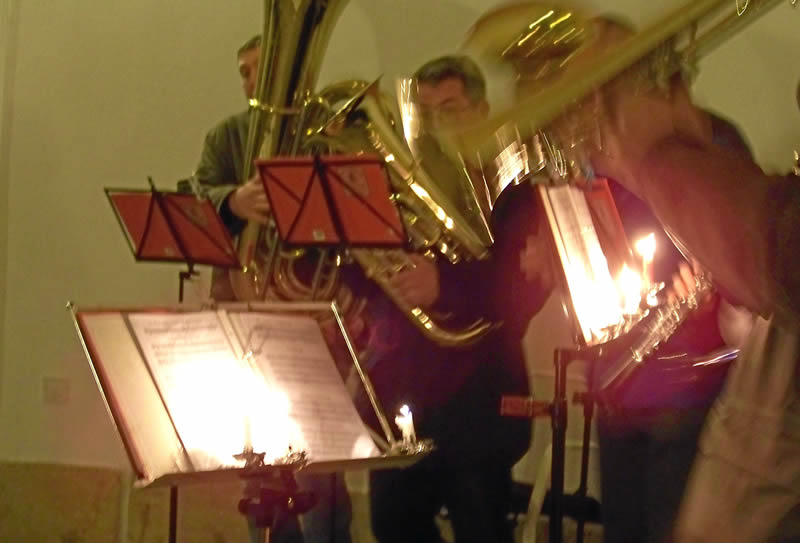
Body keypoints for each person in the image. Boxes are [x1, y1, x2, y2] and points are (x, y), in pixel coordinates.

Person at [585, 22, 800, 543]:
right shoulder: (593, 161)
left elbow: (770, 253)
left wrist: (653, 154)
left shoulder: (710, 139)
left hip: (690, 390)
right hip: (624, 377)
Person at [182, 34, 353, 543]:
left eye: (263, 66)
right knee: (255, 465)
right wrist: (234, 201)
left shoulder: (326, 135)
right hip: (245, 316)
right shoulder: (226, 137)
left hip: (309, 321)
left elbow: (353, 214)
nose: (253, 79)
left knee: (317, 468)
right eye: (245, 71)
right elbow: (196, 196)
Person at [360, 55, 532, 543]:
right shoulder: (398, 189)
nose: (437, 126)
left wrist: (445, 286)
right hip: (406, 397)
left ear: (481, 112)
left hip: (480, 401)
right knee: (392, 528)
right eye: (428, 113)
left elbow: (526, 288)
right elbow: (376, 272)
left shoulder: (511, 188)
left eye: (450, 109)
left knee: (481, 530)